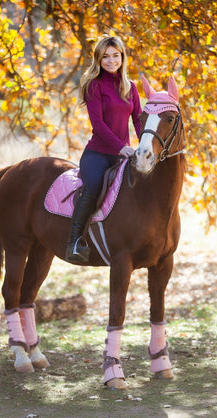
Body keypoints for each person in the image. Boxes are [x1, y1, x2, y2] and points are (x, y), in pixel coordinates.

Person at [65, 35, 142, 263]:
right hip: (97, 155)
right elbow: (98, 125)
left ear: (122, 58)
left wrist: (144, 146)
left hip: (124, 155)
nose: (111, 61)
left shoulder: (131, 87)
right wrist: (122, 148)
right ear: (98, 59)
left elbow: (138, 119)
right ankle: (75, 241)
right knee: (95, 184)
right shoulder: (94, 85)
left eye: (115, 56)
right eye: (105, 57)